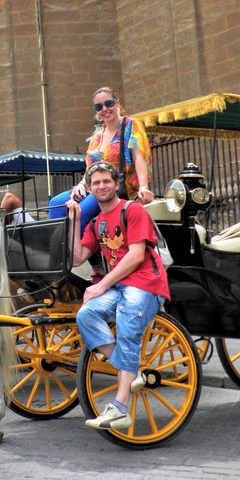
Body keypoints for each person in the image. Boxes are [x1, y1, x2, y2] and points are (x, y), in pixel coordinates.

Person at [66, 162, 169, 430]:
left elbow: (136, 256)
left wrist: (102, 285)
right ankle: (130, 368)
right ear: (89, 189)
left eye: (106, 181)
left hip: (146, 283)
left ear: (116, 184)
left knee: (126, 322)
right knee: (86, 313)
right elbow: (77, 257)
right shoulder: (96, 222)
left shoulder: (131, 210)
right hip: (120, 286)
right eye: (96, 183)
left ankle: (121, 408)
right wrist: (75, 219)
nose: (101, 186)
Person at [48, 87, 154, 229]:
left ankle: (74, 249)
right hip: (94, 186)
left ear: (117, 103)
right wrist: (81, 185)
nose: (105, 109)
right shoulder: (97, 137)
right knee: (55, 204)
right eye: (99, 106)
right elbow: (90, 170)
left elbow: (138, 157)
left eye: (108, 103)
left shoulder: (130, 125)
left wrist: (143, 187)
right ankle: (56, 247)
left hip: (116, 188)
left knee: (81, 212)